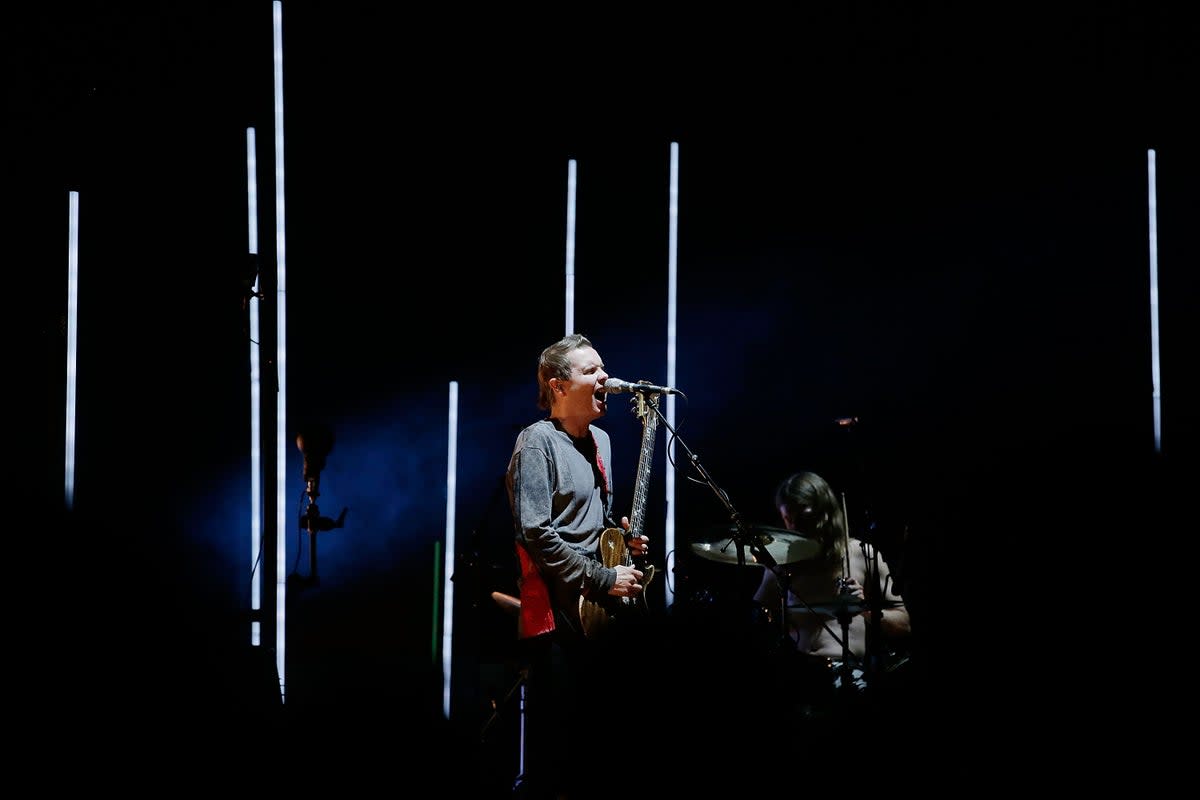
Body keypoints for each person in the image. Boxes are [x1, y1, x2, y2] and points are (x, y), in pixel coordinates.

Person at [505, 333, 651, 800]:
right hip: (556, 608)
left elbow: (592, 521)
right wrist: (604, 576)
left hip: (596, 606)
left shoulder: (602, 442)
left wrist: (618, 536)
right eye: (591, 371)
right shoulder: (536, 443)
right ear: (558, 386)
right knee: (559, 736)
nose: (604, 377)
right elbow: (537, 532)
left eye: (602, 368)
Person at [750, 470, 911, 733]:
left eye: (803, 518)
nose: (796, 527)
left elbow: (905, 624)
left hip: (849, 675)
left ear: (825, 512)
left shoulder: (861, 553)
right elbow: (759, 619)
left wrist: (864, 609)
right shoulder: (782, 559)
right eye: (789, 520)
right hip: (797, 676)